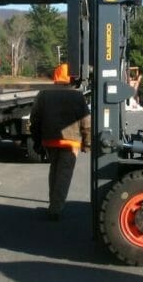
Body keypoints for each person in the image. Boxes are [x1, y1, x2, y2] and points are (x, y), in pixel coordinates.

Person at [30, 84, 91, 221]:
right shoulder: (77, 95)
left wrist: (37, 140)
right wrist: (87, 143)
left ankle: (53, 203)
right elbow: (86, 121)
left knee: (54, 171)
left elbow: (34, 118)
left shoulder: (44, 94)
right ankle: (55, 209)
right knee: (64, 174)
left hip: (49, 140)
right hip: (71, 141)